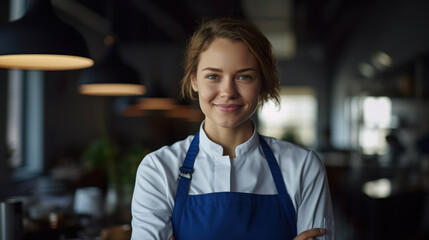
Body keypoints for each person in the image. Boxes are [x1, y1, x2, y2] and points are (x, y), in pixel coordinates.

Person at [131, 17, 335, 240]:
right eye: (212, 76)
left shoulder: (303, 168)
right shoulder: (158, 170)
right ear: (194, 81)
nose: (228, 91)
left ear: (262, 83)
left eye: (244, 76)